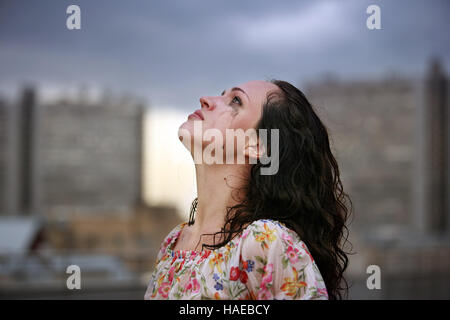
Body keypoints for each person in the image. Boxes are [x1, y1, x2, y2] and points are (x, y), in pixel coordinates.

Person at [144, 80, 352, 300]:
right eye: (221, 94)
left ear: (257, 146)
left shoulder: (266, 241)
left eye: (235, 101)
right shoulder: (174, 241)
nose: (205, 99)